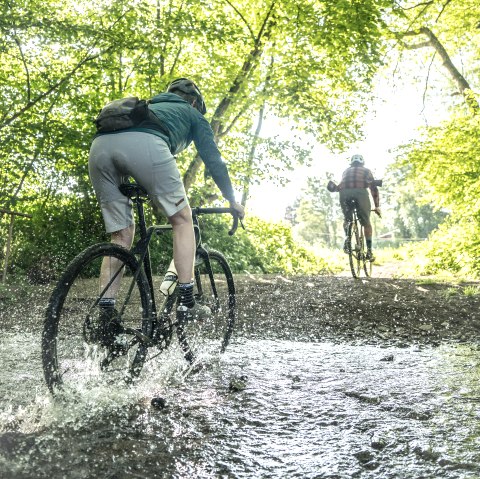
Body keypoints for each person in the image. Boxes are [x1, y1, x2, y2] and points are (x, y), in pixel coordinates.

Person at [88, 78, 245, 346]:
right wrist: (232, 199)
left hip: (99, 147)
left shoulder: (147, 107)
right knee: (182, 220)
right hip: (145, 146)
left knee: (121, 236)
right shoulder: (193, 113)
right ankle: (186, 301)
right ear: (195, 102)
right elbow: (213, 160)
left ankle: (106, 316)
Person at [337, 154, 380, 260]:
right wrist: (377, 206)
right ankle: (369, 252)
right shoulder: (366, 171)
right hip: (360, 194)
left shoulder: (345, 171)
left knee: (347, 219)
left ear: (351, 163)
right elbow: (373, 188)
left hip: (344, 194)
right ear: (362, 163)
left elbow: (342, 184)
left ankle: (347, 239)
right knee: (366, 223)